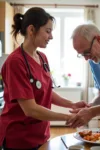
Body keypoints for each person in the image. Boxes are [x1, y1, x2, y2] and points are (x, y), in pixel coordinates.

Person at [0, 7, 88, 150]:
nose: (51, 36)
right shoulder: (16, 62)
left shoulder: (42, 58)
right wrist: (68, 118)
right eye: (48, 31)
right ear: (31, 30)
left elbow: (47, 92)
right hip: (19, 139)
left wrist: (72, 105)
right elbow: (31, 110)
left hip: (41, 134)